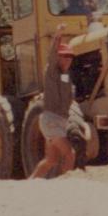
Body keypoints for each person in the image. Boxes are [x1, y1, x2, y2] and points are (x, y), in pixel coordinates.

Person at [33, 35, 78, 179]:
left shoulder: (66, 76)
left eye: (70, 57)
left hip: (58, 121)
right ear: (58, 57)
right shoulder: (52, 72)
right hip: (52, 120)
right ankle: (65, 186)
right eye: (64, 56)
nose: (67, 59)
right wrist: (58, 36)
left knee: (51, 161)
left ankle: (30, 184)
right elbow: (51, 56)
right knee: (70, 154)